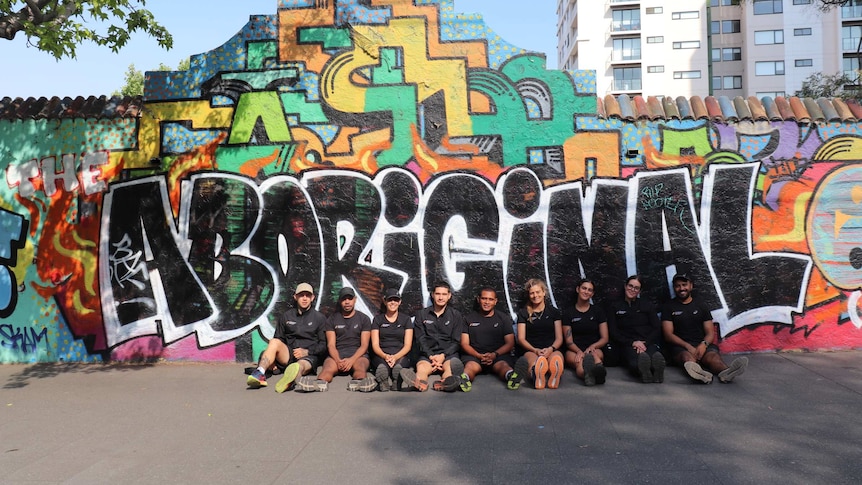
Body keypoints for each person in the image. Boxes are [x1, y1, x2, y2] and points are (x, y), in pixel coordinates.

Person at [661, 274, 748, 384]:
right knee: (687, 358)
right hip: (680, 347)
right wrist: (687, 346)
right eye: (678, 286)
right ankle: (700, 375)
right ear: (674, 288)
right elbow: (668, 335)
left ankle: (726, 372)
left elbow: (710, 332)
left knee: (714, 358)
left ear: (691, 286)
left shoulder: (701, 305)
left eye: (684, 285)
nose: (682, 288)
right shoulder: (668, 307)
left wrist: (703, 345)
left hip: (702, 344)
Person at [246, 282, 327, 393]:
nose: (304, 298)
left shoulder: (320, 318)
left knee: (299, 366)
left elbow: (324, 345)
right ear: (295, 297)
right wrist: (271, 361)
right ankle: (259, 373)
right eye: (301, 295)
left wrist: (306, 352)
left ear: (312, 298)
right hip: (289, 354)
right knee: (274, 342)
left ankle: (290, 380)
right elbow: (278, 340)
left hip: (308, 357)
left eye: (307, 295)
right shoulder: (286, 316)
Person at [298, 286, 375, 392]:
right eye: (344, 299)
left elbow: (364, 345)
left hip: (358, 355)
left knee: (360, 368)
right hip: (337, 355)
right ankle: (319, 384)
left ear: (355, 299)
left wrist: (351, 360)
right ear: (340, 301)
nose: (347, 302)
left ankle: (360, 383)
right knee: (327, 369)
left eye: (350, 298)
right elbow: (331, 345)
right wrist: (338, 360)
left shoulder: (364, 319)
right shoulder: (332, 319)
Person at [400, 281, 465, 392]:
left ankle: (445, 383)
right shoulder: (421, 314)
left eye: (444, 294)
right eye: (438, 294)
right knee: (421, 368)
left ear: (449, 296)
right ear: (432, 295)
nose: (441, 297)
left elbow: (456, 341)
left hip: (448, 355)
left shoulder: (456, 315)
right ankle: (420, 382)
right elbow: (420, 339)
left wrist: (443, 356)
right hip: (427, 355)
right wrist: (431, 356)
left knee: (450, 368)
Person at [459, 287, 529, 391]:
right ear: (478, 299)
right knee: (469, 367)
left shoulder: (503, 318)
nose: (487, 302)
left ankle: (512, 377)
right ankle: (464, 379)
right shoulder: (468, 319)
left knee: (503, 366)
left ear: (495, 301)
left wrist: (494, 355)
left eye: (490, 299)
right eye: (484, 298)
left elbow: (510, 343)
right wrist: (478, 355)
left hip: (498, 356)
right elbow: (464, 343)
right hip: (475, 356)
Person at [606, 275, 665, 383]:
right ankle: (647, 372)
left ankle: (656, 372)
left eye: (636, 288)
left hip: (646, 343)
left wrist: (645, 343)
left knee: (654, 358)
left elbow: (656, 328)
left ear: (640, 291)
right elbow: (613, 332)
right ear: (625, 286)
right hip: (627, 344)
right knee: (634, 364)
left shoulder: (647, 305)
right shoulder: (614, 306)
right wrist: (632, 342)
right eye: (630, 286)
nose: (632, 289)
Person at [516, 278, 564, 389]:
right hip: (531, 350)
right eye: (532, 293)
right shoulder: (523, 313)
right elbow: (521, 339)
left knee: (556, 359)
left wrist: (551, 349)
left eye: (538, 292)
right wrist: (535, 350)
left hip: (552, 348)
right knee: (533, 362)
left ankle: (555, 374)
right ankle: (536, 375)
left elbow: (559, 338)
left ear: (544, 292)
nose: (535, 295)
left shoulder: (553, 312)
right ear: (528, 295)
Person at [562, 278, 609, 386]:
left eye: (589, 290)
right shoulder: (568, 313)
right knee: (580, 362)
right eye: (584, 288)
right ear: (578, 289)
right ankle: (589, 375)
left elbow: (604, 338)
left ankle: (598, 373)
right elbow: (569, 341)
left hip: (594, 348)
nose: (586, 291)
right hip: (574, 350)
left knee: (596, 357)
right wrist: (579, 351)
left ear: (592, 294)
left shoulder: (598, 311)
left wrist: (592, 347)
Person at [370, 288, 414, 391]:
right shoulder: (377, 320)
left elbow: (408, 345)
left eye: (396, 300)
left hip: (400, 354)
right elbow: (375, 345)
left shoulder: (406, 319)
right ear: (385, 301)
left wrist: (395, 357)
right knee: (382, 368)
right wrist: (385, 356)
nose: (393, 302)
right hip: (382, 354)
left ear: (400, 302)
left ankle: (397, 381)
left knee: (398, 367)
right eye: (390, 300)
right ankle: (383, 381)